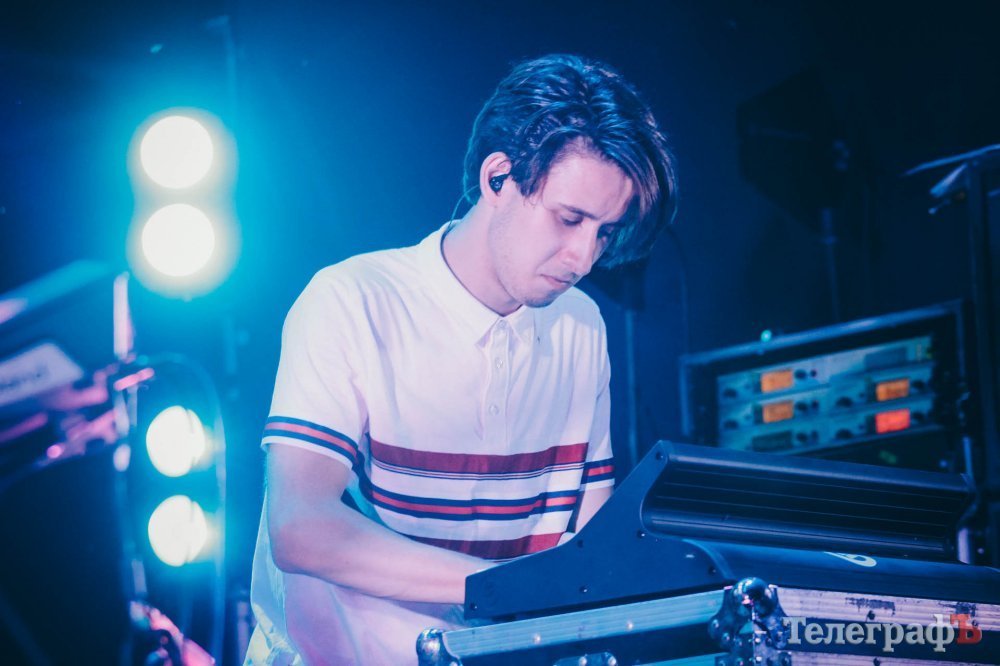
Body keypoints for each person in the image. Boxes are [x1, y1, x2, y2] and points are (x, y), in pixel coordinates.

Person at [246, 53, 677, 665]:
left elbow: (588, 549)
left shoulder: (581, 326)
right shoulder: (352, 300)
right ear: (498, 178)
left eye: (603, 232)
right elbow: (301, 528)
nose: (584, 257)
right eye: (570, 219)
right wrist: (512, 587)